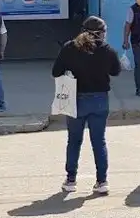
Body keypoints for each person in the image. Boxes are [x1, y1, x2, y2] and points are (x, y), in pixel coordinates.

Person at [52, 16, 122, 195]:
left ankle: (70, 180)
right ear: (102, 33)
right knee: (99, 142)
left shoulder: (70, 47)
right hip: (100, 100)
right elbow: (116, 71)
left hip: (76, 99)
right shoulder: (107, 50)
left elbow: (56, 72)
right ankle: (102, 181)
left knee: (74, 140)